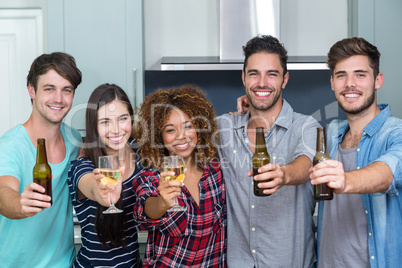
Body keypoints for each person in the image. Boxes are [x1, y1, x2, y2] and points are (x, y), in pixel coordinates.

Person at [217, 35, 321, 267]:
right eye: (254, 73)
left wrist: (284, 175)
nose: (262, 83)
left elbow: (306, 164)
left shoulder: (305, 126)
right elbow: (179, 135)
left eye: (271, 74)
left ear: (284, 80)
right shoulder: (224, 129)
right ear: (244, 78)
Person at [310, 37, 402, 267]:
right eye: (341, 75)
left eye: (360, 75)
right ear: (332, 83)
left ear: (377, 80)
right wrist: (250, 113)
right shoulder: (331, 133)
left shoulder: (395, 133)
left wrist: (346, 180)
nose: (350, 83)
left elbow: (387, 172)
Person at [0, 52, 82, 267]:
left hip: (64, 263)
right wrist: (20, 203)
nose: (59, 99)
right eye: (49, 89)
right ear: (32, 90)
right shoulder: (10, 145)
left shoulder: (75, 141)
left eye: (67, 90)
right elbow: (3, 192)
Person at [132, 85, 226, 267]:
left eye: (188, 126)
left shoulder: (215, 172)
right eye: (170, 130)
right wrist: (162, 202)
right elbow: (146, 210)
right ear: (159, 137)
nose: (181, 136)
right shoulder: (150, 177)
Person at [67, 83, 143, 267]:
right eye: (105, 122)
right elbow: (90, 184)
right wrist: (100, 190)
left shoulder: (142, 159)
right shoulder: (81, 166)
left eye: (123, 118)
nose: (116, 129)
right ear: (94, 126)